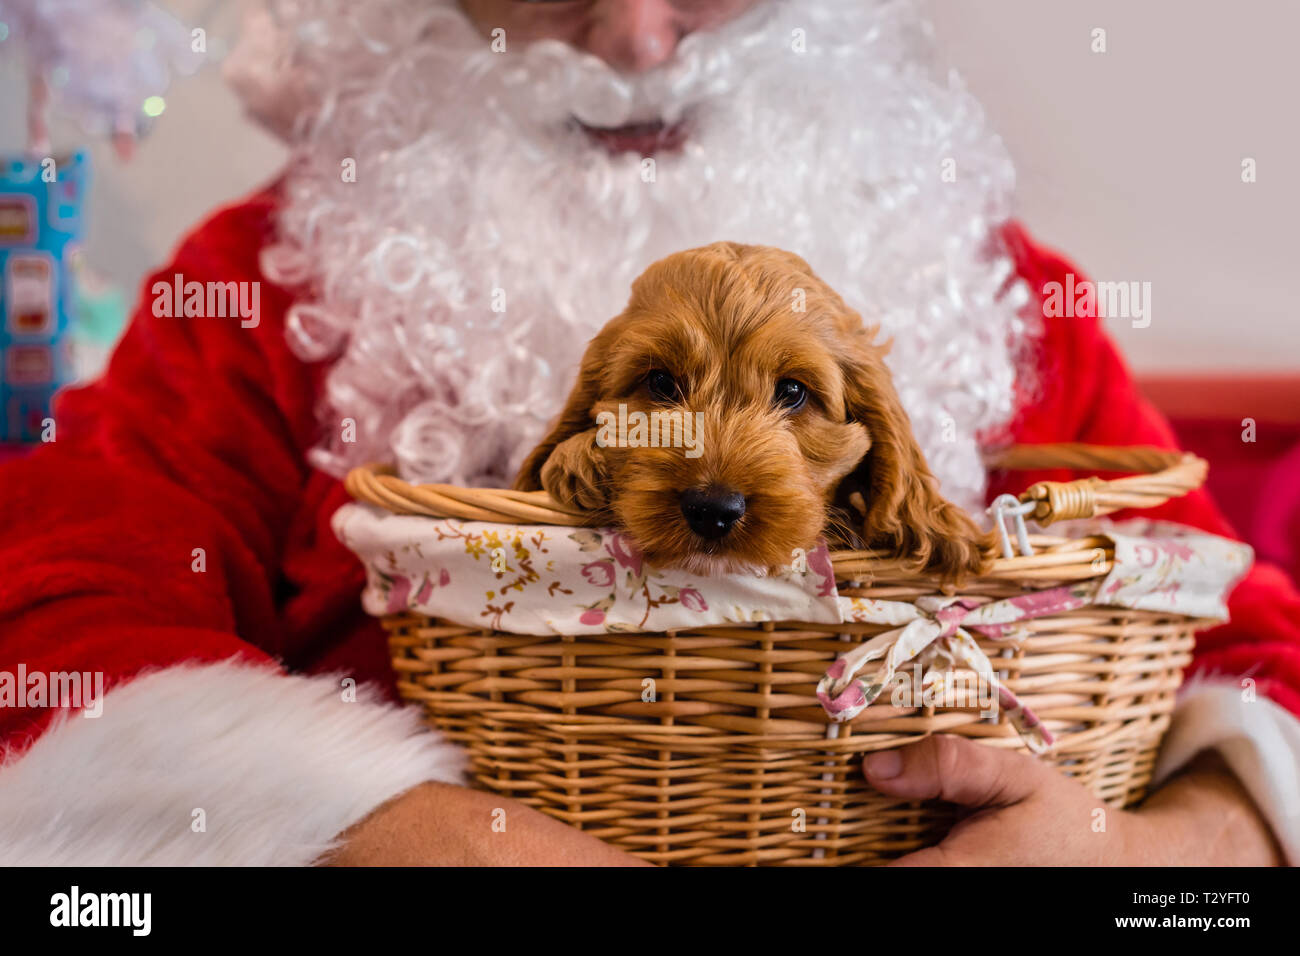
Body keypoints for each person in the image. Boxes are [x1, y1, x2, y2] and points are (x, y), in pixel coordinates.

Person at [0, 0, 1295, 866]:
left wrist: (1146, 861)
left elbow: (1256, 659)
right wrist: (429, 839)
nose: (635, 39)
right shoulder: (254, 298)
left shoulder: (995, 299)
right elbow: (55, 649)